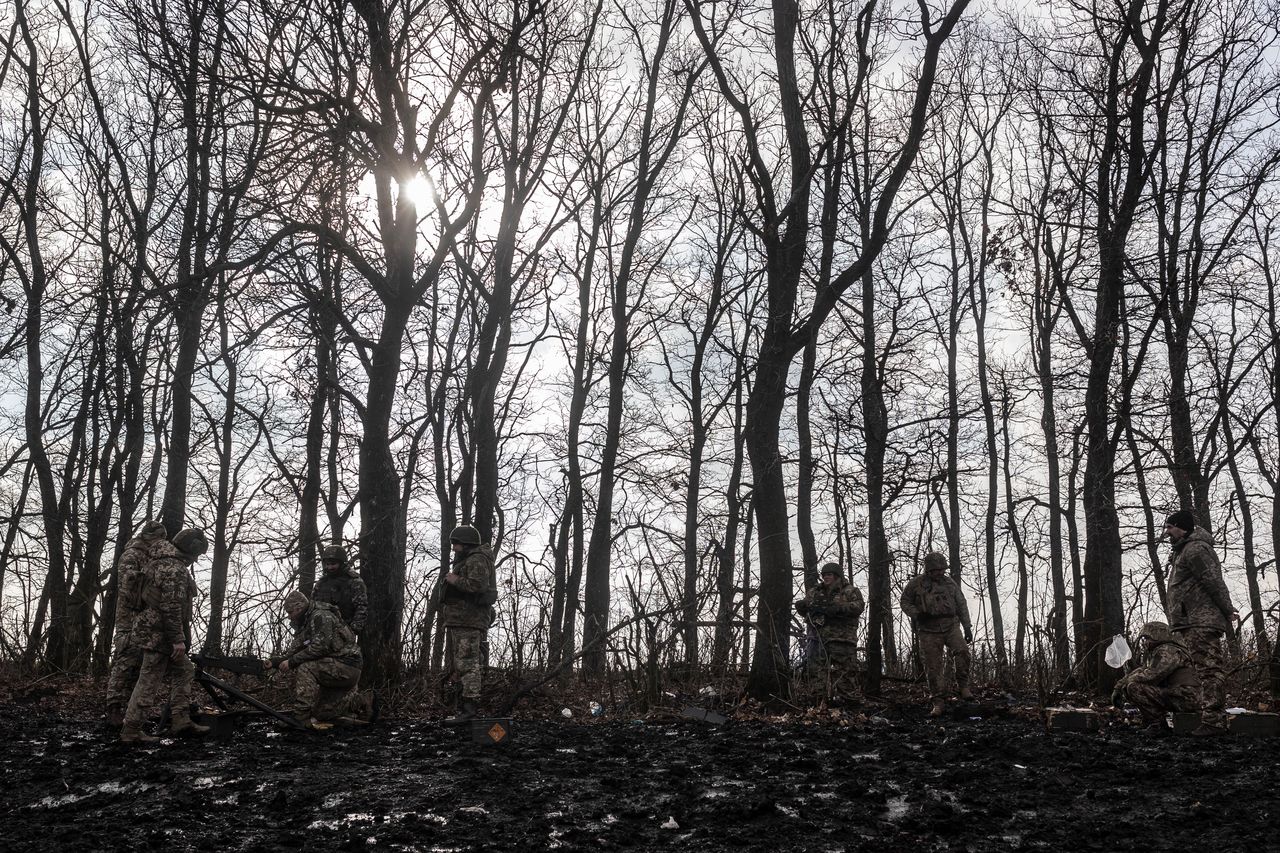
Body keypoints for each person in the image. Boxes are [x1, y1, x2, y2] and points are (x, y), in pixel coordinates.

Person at [120, 528, 211, 743]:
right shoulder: (174, 568)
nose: (195, 560)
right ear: (190, 550)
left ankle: (180, 720)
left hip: (154, 632)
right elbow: (171, 607)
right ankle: (131, 730)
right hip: (158, 635)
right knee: (149, 680)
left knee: (185, 670)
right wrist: (178, 640)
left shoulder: (158, 561)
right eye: (196, 555)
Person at [1164, 509, 1237, 731]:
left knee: (1209, 670)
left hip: (1201, 620)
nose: (1167, 532)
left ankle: (1212, 722)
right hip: (1191, 620)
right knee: (1203, 670)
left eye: (1170, 527)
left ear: (1181, 527)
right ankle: (1208, 719)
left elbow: (1213, 581)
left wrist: (1228, 609)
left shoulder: (1196, 549)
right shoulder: (1183, 550)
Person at [267, 590, 369, 727]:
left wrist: (291, 662)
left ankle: (300, 717)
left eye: (290, 612)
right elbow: (295, 650)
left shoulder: (321, 616)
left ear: (299, 607)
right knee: (322, 714)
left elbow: (320, 648)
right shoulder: (307, 621)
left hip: (346, 666)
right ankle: (362, 703)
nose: (289, 617)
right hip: (338, 669)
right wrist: (274, 662)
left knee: (306, 667)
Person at [104, 520, 170, 728]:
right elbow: (128, 586)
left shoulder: (151, 556)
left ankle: (130, 711)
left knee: (141, 661)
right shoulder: (132, 555)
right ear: (149, 537)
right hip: (129, 616)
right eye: (158, 538)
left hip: (144, 617)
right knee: (125, 659)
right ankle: (114, 708)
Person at [900, 551, 974, 717]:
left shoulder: (950, 583)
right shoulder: (916, 584)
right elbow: (904, 601)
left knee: (962, 652)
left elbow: (961, 603)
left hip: (950, 625)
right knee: (933, 666)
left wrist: (967, 626)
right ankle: (938, 702)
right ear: (928, 570)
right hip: (928, 629)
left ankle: (963, 686)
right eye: (936, 570)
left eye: (942, 569)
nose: (940, 573)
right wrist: (917, 613)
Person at [440, 525, 497, 724]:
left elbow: (477, 585)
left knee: (468, 663)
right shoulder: (471, 559)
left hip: (469, 619)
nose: (454, 547)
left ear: (466, 543)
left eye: (457, 543)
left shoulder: (477, 559)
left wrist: (455, 580)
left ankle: (469, 710)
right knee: (464, 663)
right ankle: (463, 708)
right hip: (462, 619)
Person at [795, 562, 865, 702]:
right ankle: (818, 701)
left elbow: (859, 606)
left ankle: (851, 701)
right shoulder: (815, 591)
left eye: (829, 575)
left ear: (837, 576)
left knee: (845, 671)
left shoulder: (849, 591)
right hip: (817, 637)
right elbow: (808, 607)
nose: (826, 577)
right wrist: (802, 607)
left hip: (842, 638)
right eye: (824, 575)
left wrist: (839, 608)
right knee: (816, 670)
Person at [1113, 621, 1200, 733]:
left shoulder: (1168, 650)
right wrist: (1119, 687)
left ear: (1157, 636)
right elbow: (1142, 670)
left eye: (1147, 638)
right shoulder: (1161, 651)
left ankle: (1157, 724)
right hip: (1180, 695)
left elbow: (1152, 675)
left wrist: (1124, 685)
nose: (1145, 643)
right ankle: (1152, 723)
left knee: (1134, 688)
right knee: (1131, 685)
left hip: (1186, 697)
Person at [311, 543, 368, 635]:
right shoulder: (321, 583)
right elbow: (312, 606)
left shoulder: (354, 581)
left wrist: (352, 630)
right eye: (327, 564)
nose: (330, 567)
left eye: (333, 564)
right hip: (321, 632)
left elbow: (361, 607)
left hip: (343, 632)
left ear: (342, 563)